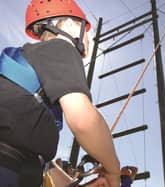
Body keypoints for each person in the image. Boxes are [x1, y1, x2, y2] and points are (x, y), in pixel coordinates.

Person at [0, 0, 120, 187]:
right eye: (86, 30)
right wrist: (113, 170)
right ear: (71, 25)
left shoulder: (30, 66)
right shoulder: (61, 47)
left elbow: (43, 164)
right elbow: (83, 120)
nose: (88, 38)